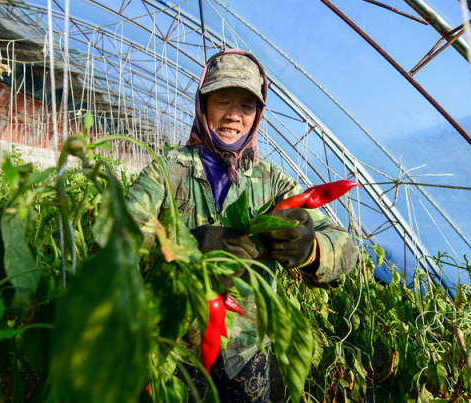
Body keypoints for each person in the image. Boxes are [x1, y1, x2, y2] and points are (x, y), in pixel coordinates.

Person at [126, 49, 358, 401]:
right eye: (223, 101)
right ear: (203, 105)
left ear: (257, 115)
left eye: (246, 106)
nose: (234, 115)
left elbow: (347, 249)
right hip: (174, 338)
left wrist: (310, 249)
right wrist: (188, 245)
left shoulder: (272, 182)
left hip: (246, 348)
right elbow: (120, 238)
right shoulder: (168, 170)